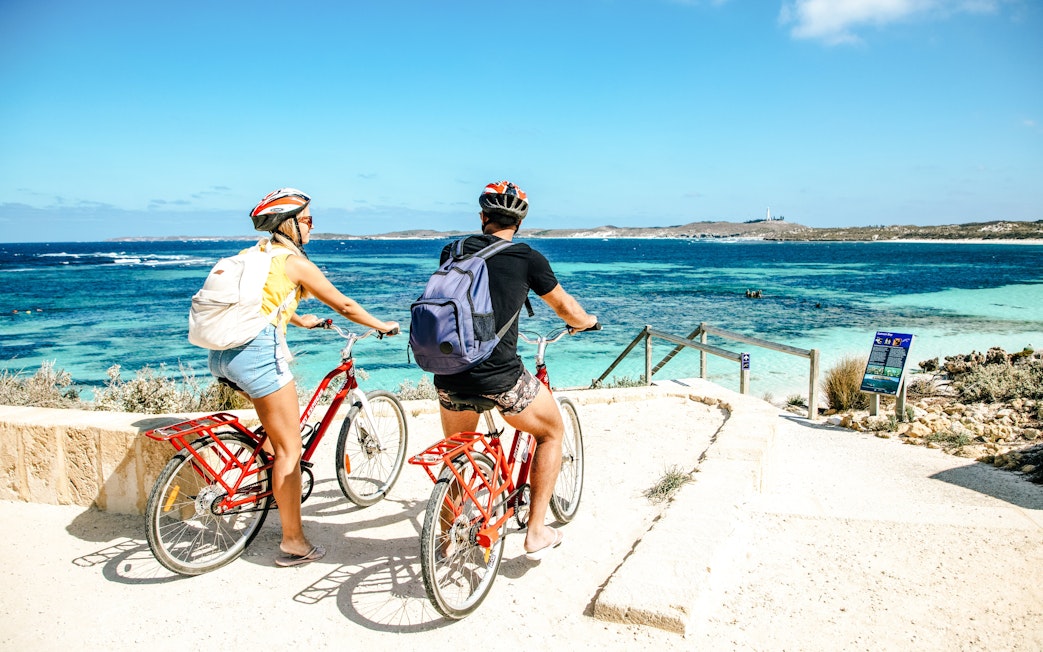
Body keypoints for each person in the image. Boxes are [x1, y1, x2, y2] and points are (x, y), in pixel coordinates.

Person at [208, 187, 399, 567]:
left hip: (221, 356)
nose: (313, 225)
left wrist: (298, 319)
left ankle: (265, 478)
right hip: (257, 356)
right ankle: (294, 542)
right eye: (308, 219)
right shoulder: (293, 262)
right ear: (288, 224)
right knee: (290, 452)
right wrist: (381, 325)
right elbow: (343, 304)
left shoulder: (253, 256)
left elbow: (258, 301)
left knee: (275, 433)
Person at [432, 180, 598, 561]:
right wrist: (586, 321)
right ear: (520, 222)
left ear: (482, 217)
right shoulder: (527, 257)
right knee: (551, 432)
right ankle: (536, 533)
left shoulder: (452, 250)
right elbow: (565, 308)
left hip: (448, 371)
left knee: (459, 454)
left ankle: (443, 538)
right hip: (498, 375)